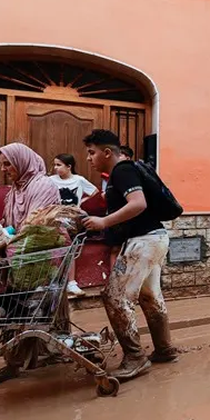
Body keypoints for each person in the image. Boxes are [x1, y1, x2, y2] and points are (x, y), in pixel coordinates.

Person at [81, 130, 178, 381]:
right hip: (153, 238)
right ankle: (164, 349)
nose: (89, 158)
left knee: (115, 297)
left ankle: (135, 358)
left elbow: (138, 203)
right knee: (149, 295)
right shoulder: (120, 174)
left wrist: (103, 222)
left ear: (107, 152)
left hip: (144, 241)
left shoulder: (122, 171)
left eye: (92, 153)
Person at [0, 143, 61, 385]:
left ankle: (16, 363)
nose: (4, 169)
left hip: (39, 260)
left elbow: (36, 226)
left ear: (22, 162)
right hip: (22, 259)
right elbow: (11, 223)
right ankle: (30, 358)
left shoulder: (43, 186)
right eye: (2, 165)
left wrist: (10, 240)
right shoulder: (16, 190)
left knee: (28, 312)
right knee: (27, 312)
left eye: (8, 164)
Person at [49, 154, 97, 297]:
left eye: (59, 165)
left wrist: (82, 202)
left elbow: (94, 192)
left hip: (72, 221)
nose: (55, 168)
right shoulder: (50, 180)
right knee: (54, 250)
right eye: (55, 165)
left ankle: (71, 282)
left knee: (70, 249)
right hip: (55, 220)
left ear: (69, 166)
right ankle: (53, 282)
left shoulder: (79, 180)